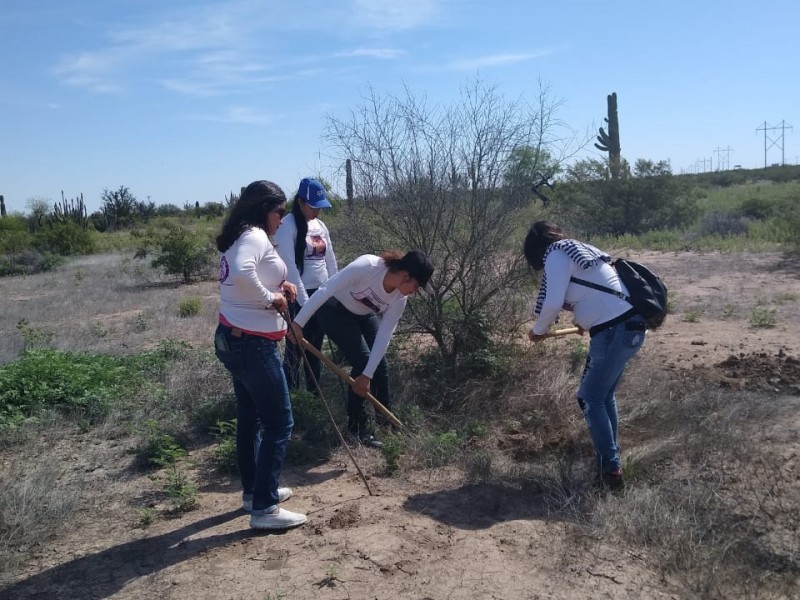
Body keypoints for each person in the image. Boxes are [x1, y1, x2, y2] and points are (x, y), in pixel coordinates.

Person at [523, 221, 646, 491]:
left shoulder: (556, 253)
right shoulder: (582, 251)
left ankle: (611, 473)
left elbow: (552, 303)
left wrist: (538, 330)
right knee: (602, 397)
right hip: (627, 328)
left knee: (589, 398)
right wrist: (586, 320)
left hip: (614, 331)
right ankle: (611, 458)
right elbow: (593, 293)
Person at [213, 180, 307, 530]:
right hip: (252, 345)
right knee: (279, 422)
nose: (282, 219)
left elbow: (246, 274)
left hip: (233, 339)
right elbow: (241, 271)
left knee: (250, 418)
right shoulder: (253, 235)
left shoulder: (240, 234)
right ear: (262, 209)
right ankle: (265, 510)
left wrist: (279, 287)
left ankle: (255, 493)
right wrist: (271, 297)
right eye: (279, 211)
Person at [290, 250, 434, 448]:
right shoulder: (368, 266)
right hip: (334, 309)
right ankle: (357, 429)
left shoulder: (399, 298)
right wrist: (298, 323)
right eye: (416, 286)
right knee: (363, 360)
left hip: (362, 313)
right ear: (405, 276)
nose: (415, 291)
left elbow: (384, 336)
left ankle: (386, 424)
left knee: (378, 366)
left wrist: (367, 376)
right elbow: (325, 289)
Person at [274, 177, 337, 394]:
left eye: (320, 207)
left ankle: (314, 395)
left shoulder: (320, 226)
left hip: (320, 294)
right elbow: (290, 268)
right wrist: (306, 304)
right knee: (295, 348)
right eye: (313, 207)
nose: (317, 212)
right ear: (300, 202)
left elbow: (330, 261)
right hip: (297, 297)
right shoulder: (288, 226)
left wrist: (333, 292)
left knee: (315, 349)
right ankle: (290, 396)